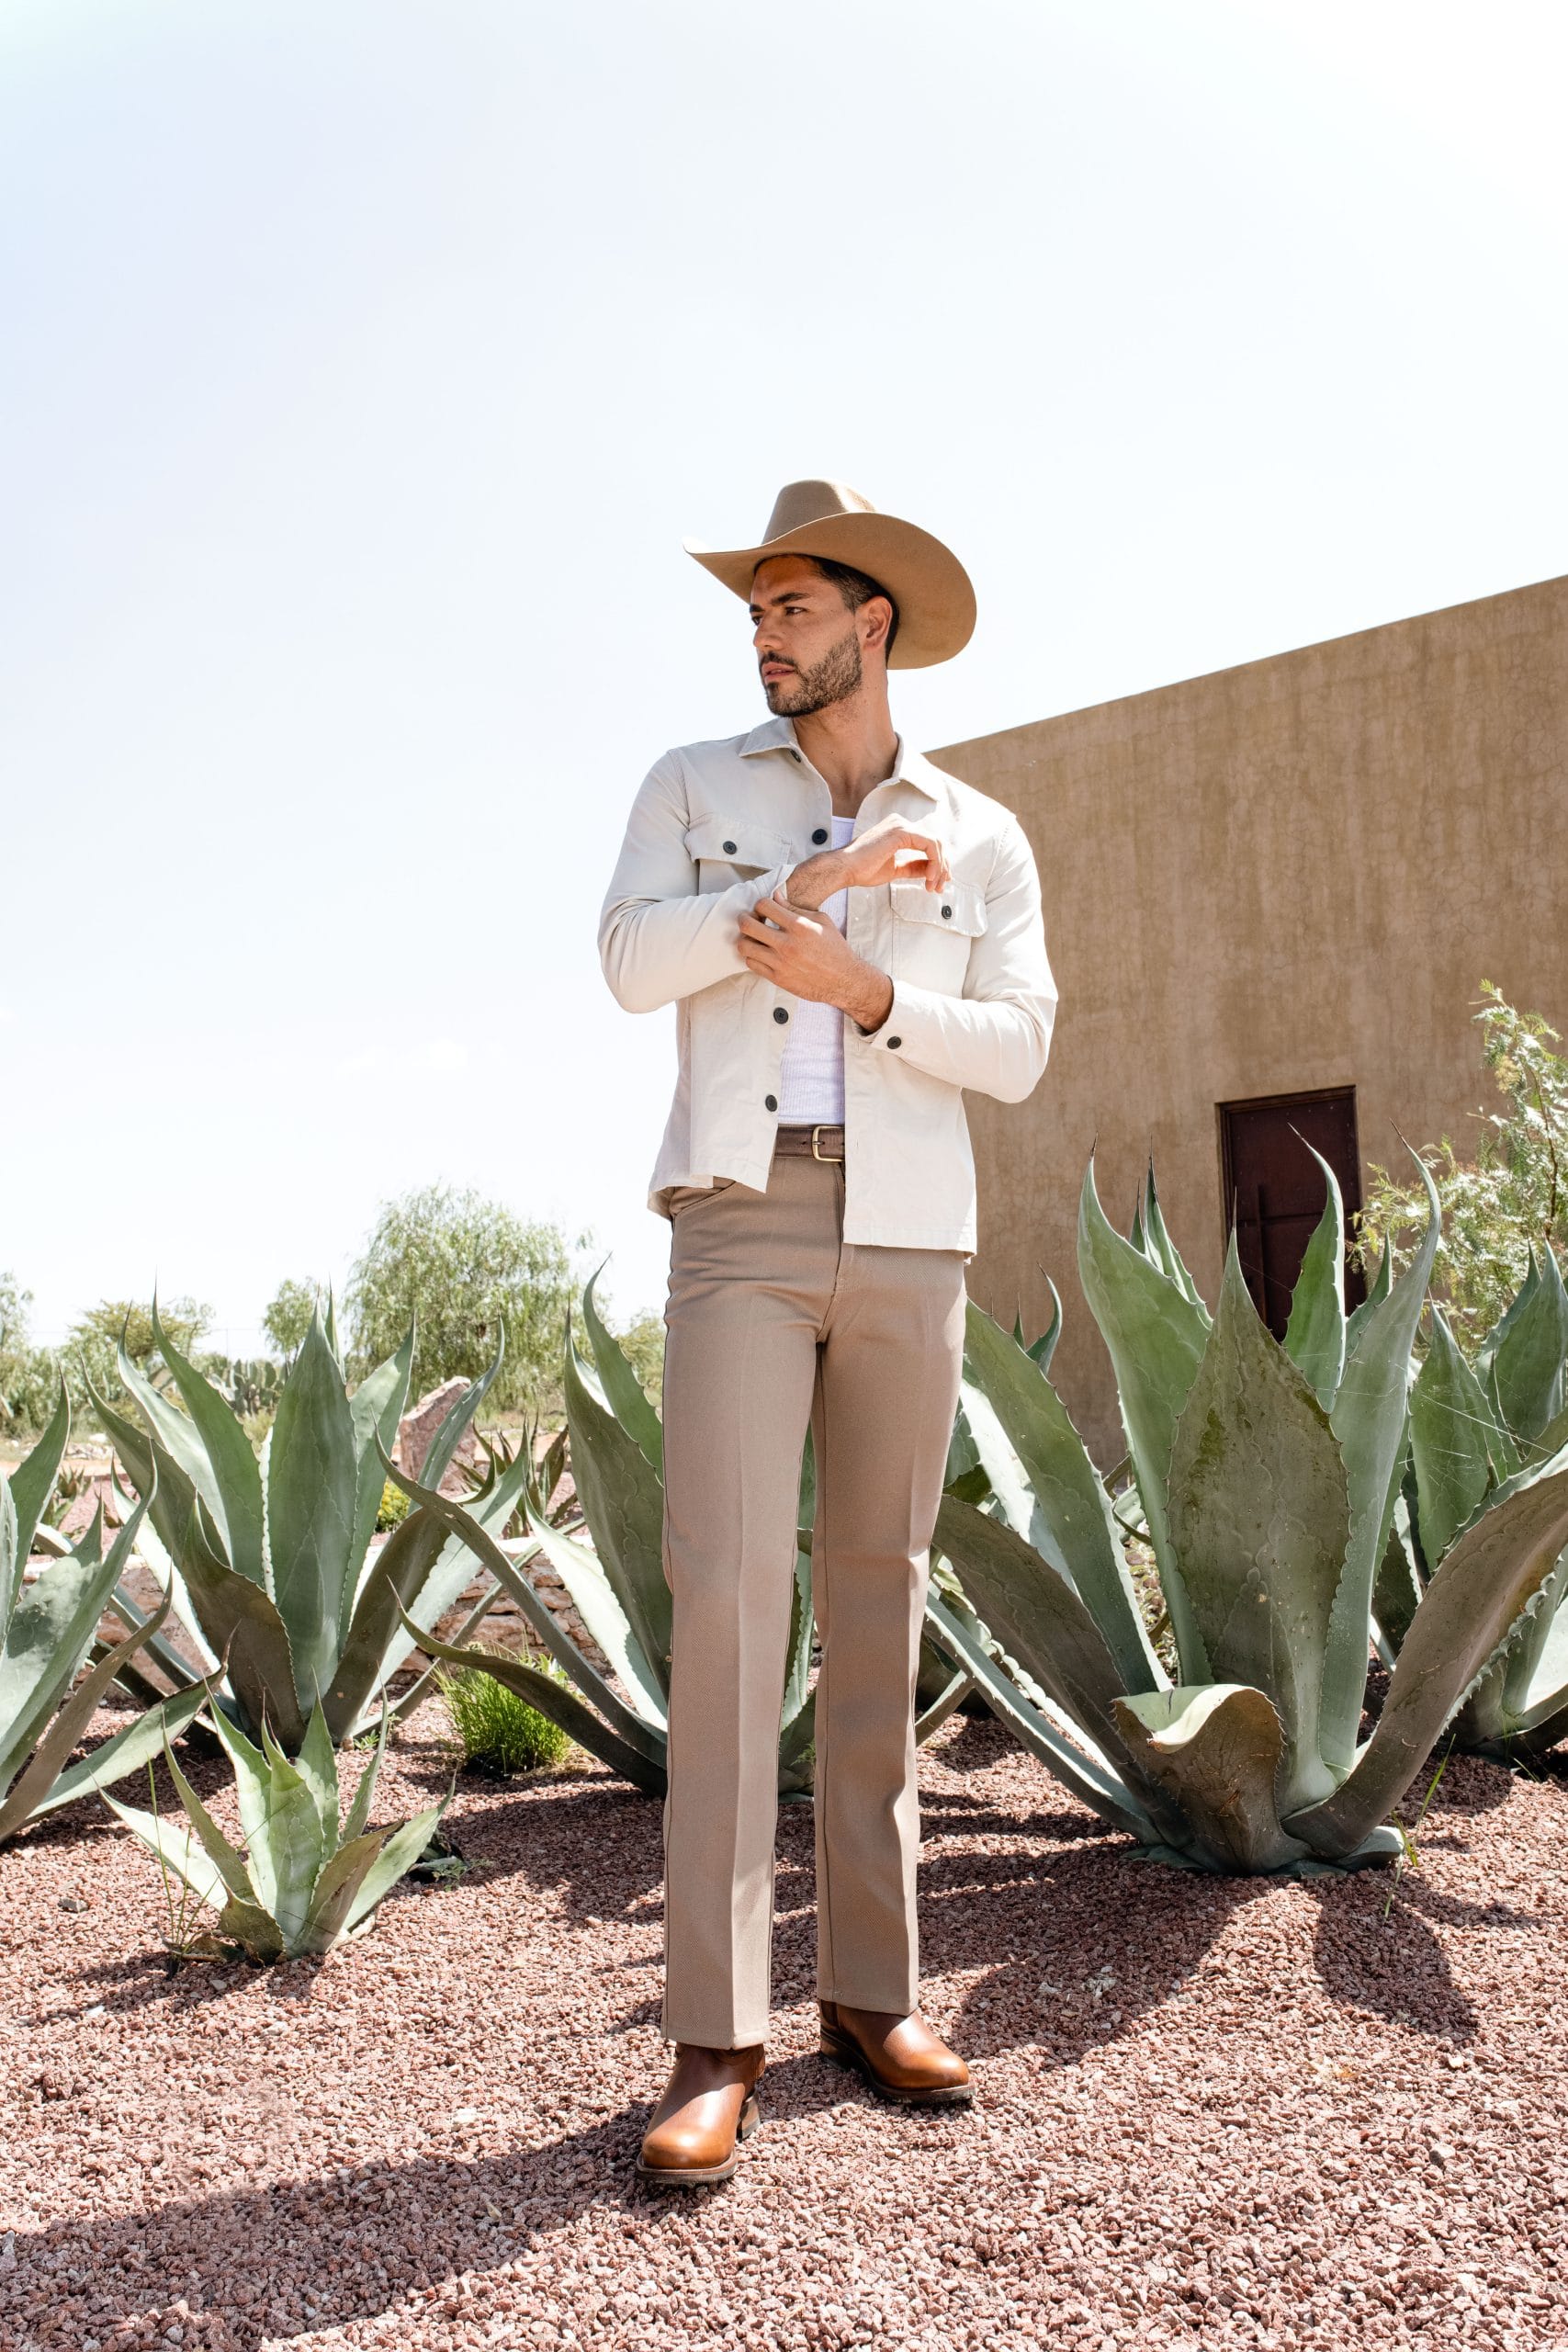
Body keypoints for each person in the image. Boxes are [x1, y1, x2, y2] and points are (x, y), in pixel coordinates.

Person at [599, 479, 1055, 2185]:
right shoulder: (693, 783)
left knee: (881, 1597)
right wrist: (797, 894)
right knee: (728, 1602)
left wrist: (871, 991)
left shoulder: (982, 833)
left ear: (872, 624)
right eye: (754, 613)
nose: (764, 637)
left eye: (791, 608)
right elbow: (626, 962)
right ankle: (717, 2041)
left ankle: (874, 1995)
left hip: (912, 1231)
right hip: (743, 1219)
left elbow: (1019, 1045)